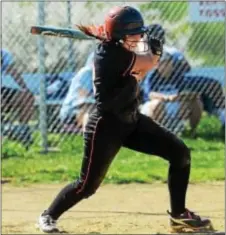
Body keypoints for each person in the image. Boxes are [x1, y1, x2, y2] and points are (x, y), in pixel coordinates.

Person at [37, 6, 212, 233]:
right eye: (136, 34)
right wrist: (155, 51)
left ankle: (179, 216)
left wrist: (147, 50)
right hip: (105, 126)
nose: (140, 37)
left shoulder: (119, 49)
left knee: (180, 153)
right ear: (121, 36)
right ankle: (48, 215)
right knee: (87, 186)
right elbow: (148, 63)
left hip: (131, 121)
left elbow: (140, 72)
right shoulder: (111, 54)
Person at [140, 24, 225, 136]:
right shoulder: (142, 53)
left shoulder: (170, 52)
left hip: (175, 83)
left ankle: (221, 117)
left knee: (208, 88)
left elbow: (186, 68)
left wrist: (173, 68)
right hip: (149, 88)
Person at [1, 49, 35, 146]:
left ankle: (23, 130)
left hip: (2, 90)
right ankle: (5, 128)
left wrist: (25, 89)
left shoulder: (3, 54)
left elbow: (13, 72)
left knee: (27, 97)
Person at [60, 52, 95, 133]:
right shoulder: (87, 72)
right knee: (90, 107)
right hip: (72, 111)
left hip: (83, 110)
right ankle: (89, 137)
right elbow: (83, 98)